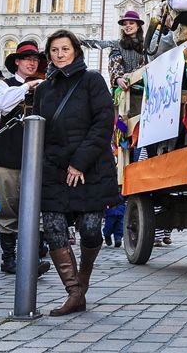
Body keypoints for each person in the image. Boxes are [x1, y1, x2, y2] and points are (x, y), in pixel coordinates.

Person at [35, 29, 119, 316]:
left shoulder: (92, 80)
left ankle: (83, 277)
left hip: (89, 168)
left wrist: (80, 162)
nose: (60, 54)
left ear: (75, 51)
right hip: (53, 169)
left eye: (65, 49)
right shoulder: (43, 89)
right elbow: (39, 130)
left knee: (90, 230)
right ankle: (74, 293)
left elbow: (103, 122)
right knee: (54, 229)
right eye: (54, 50)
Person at [0, 40, 50, 275]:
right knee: (9, 207)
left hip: (38, 154)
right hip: (8, 154)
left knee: (37, 206)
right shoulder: (2, 85)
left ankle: (34, 255)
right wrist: (27, 87)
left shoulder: (45, 85)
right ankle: (9, 258)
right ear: (17, 62)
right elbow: (3, 105)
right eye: (27, 59)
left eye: (35, 60)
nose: (32, 63)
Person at [80, 10, 148, 92]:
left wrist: (133, 75)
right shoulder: (117, 44)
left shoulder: (146, 44)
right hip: (123, 88)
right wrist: (118, 78)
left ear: (138, 26)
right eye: (125, 24)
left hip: (143, 88)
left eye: (131, 23)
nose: (128, 26)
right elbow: (99, 44)